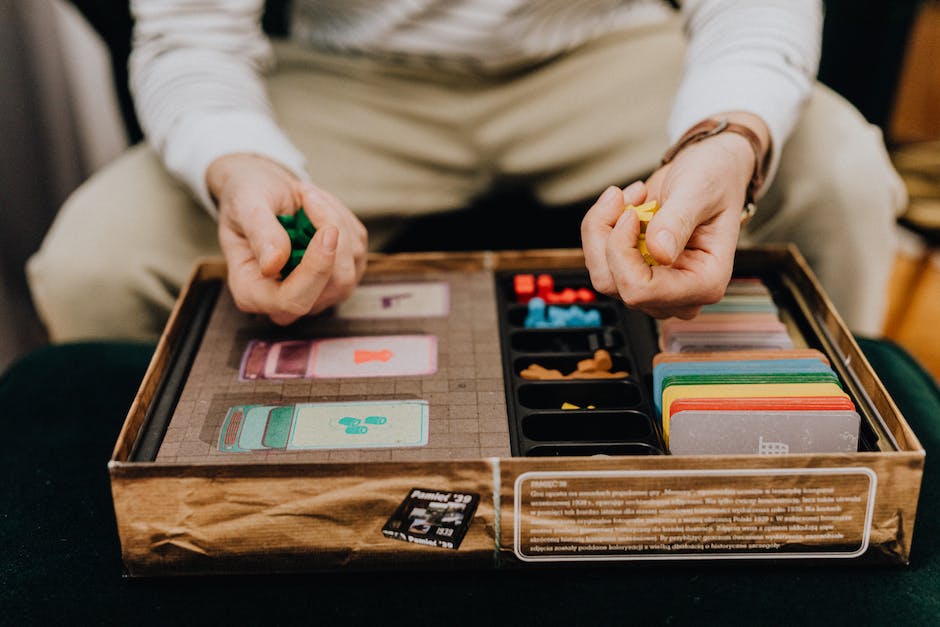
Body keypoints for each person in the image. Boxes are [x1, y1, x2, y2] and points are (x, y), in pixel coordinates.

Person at [27, 0, 906, 340]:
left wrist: (729, 138)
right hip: (344, 79)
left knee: (842, 176)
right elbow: (191, 37)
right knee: (96, 261)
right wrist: (239, 164)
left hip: (613, 49)